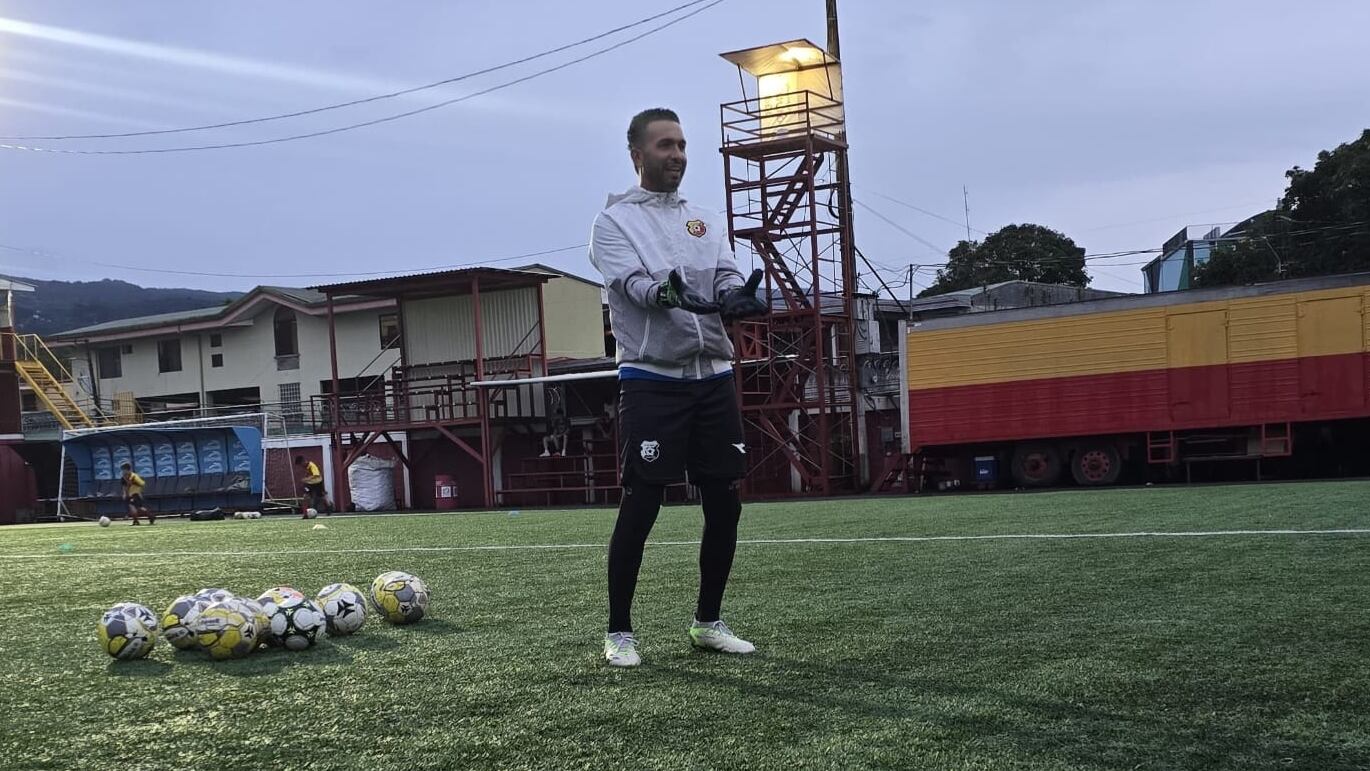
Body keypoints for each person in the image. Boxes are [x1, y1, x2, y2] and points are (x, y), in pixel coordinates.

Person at [589, 107, 769, 667]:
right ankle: (620, 633)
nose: (678, 155)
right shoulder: (613, 223)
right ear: (637, 155)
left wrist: (736, 294)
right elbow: (631, 284)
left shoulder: (704, 220)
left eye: (683, 145)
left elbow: (725, 272)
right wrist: (665, 294)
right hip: (652, 379)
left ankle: (707, 623)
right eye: (665, 145)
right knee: (643, 502)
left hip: (713, 376)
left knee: (725, 503)